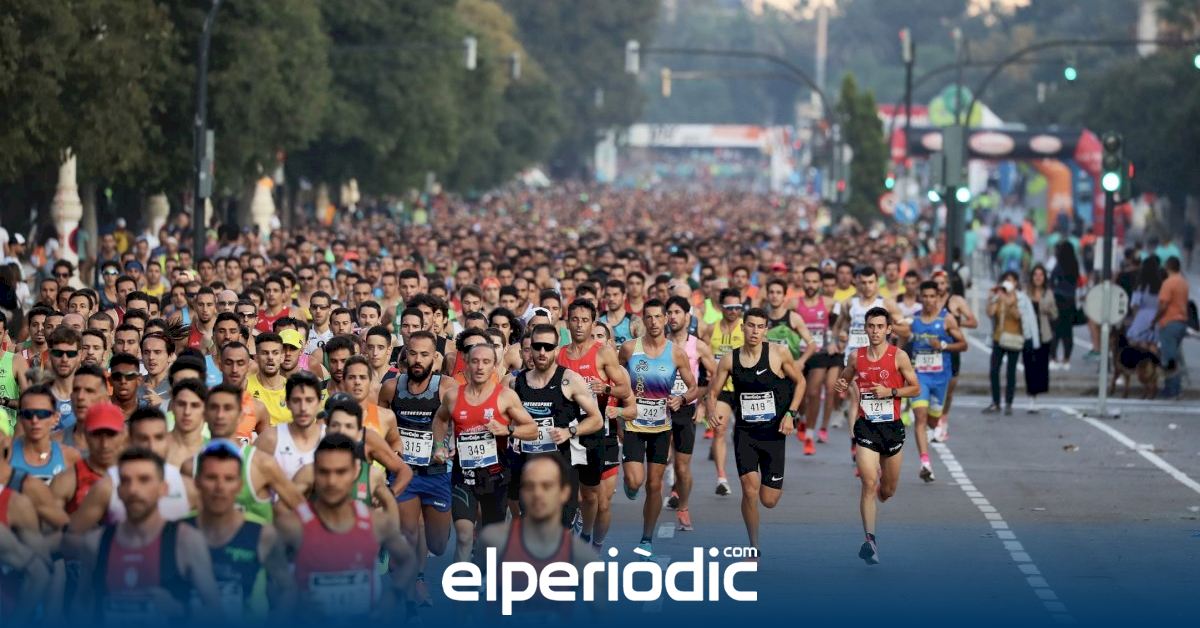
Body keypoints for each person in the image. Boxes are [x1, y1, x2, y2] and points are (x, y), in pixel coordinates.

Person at [275, 434, 417, 619]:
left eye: (341, 472)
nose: (332, 481)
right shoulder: (292, 526)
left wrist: (391, 597)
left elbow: (408, 560)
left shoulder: (376, 523)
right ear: (314, 472)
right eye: (324, 472)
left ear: (355, 472)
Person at [73, 447, 222, 623]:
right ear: (118, 490)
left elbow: (216, 611)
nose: (134, 489)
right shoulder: (95, 543)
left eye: (144, 480)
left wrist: (179, 610)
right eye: (126, 481)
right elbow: (81, 607)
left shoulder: (186, 541)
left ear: (163, 489)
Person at [707, 307, 804, 553]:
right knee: (749, 489)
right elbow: (713, 392)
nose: (755, 331)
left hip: (774, 434)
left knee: (769, 500)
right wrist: (710, 410)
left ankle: (770, 486)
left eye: (760, 327)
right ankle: (753, 546)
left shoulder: (778, 354)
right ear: (743, 327)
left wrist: (791, 414)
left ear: (766, 330)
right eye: (751, 325)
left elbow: (801, 382)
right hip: (745, 434)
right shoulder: (730, 359)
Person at [431, 342, 538, 561]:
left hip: (496, 476)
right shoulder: (453, 396)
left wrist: (507, 430)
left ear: (495, 366)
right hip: (463, 475)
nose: (480, 367)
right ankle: (461, 579)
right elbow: (440, 419)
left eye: (486, 362)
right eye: (475, 361)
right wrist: (439, 446)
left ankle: (483, 570)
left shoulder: (505, 396)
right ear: (467, 364)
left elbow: (532, 430)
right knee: (464, 536)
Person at [834, 307, 919, 565]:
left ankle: (884, 491)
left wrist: (891, 392)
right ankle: (870, 541)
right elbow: (845, 379)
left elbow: (915, 388)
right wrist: (841, 384)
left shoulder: (899, 356)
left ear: (889, 329)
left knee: (887, 490)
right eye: (871, 326)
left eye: (880, 326)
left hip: (891, 429)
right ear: (865, 328)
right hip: (866, 427)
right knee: (869, 483)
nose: (875, 331)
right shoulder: (856, 356)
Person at [616, 299, 698, 558]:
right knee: (634, 480)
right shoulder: (629, 349)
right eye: (648, 317)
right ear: (643, 320)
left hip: (661, 427)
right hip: (633, 424)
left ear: (665, 320)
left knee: (654, 485)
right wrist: (619, 416)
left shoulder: (676, 353)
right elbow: (616, 381)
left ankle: (646, 538)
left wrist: (681, 399)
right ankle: (630, 486)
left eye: (658, 317)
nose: (653, 322)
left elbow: (693, 388)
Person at [473, 455, 598, 620]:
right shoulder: (492, 540)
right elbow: (465, 601)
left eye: (547, 486)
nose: (538, 494)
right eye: (530, 486)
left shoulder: (582, 557)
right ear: (521, 492)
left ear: (564, 492)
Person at [187, 440, 293, 621]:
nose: (220, 487)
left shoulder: (262, 534)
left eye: (229, 479)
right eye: (211, 478)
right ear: (196, 482)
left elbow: (288, 589)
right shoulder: (177, 531)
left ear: (239, 484)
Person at [908, 282, 966, 482]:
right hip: (919, 376)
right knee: (920, 417)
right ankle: (925, 464)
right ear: (920, 297)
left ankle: (933, 427)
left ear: (937, 297)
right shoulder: (914, 320)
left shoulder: (946, 319)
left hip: (940, 378)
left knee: (932, 421)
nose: (928, 300)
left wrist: (942, 345)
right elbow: (901, 342)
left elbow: (963, 344)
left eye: (932, 296)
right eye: (925, 296)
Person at [985, 272, 1029, 415]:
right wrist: (991, 298)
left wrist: (1010, 302)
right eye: (1005, 280)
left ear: (1016, 283)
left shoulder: (1020, 298)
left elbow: (1018, 316)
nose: (1007, 283)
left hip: (1013, 337)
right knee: (994, 370)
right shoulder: (999, 297)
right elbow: (990, 313)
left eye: (1010, 280)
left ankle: (1009, 402)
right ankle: (996, 402)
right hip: (998, 337)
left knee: (1011, 372)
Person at [1023, 265, 1057, 413]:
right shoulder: (1025, 292)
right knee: (1029, 366)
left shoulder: (1048, 293)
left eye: (1041, 275)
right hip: (1028, 334)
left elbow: (1055, 314)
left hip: (1044, 334)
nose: (1038, 277)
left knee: (1041, 367)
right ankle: (1031, 396)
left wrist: (1046, 308)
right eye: (1035, 274)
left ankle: (1036, 396)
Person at [1155, 256, 1189, 399]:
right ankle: (1175, 388)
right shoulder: (1183, 282)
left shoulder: (1168, 283)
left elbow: (1164, 304)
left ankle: (1172, 389)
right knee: (1174, 356)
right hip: (1181, 322)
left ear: (1168, 267)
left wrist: (1155, 319)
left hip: (1169, 322)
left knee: (1169, 358)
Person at [1049, 240, 1081, 370]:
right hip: (1070, 300)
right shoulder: (1074, 264)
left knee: (1055, 331)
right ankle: (1066, 359)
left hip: (1058, 299)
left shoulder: (1059, 264)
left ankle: (1054, 358)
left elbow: (1052, 281)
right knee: (1068, 331)